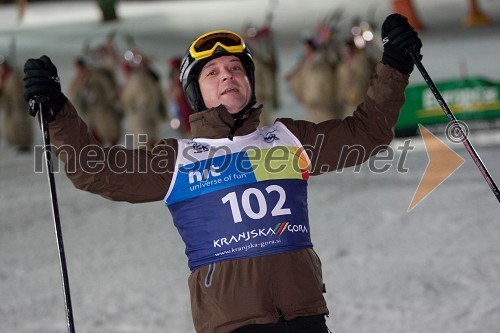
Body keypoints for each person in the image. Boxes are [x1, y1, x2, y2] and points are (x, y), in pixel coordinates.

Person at [23, 14, 422, 333]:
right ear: (196, 92)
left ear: (249, 81)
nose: (227, 75)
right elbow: (98, 171)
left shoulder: (286, 139)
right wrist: (57, 110)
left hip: (305, 317)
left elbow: (366, 133)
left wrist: (396, 65)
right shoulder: (178, 158)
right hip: (232, 323)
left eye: (235, 68)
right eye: (212, 72)